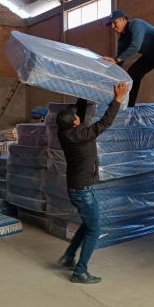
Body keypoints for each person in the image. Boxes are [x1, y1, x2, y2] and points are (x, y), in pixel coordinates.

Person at [55, 82, 128, 284]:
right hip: (82, 191)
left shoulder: (64, 132)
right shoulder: (82, 136)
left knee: (88, 224)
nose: (78, 115)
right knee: (94, 229)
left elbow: (77, 113)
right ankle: (80, 272)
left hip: (76, 187)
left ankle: (69, 257)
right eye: (77, 116)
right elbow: (104, 123)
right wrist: (118, 100)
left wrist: (84, 90)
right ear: (76, 123)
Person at [103, 10, 154, 107]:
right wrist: (107, 73)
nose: (112, 27)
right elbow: (119, 60)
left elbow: (136, 46)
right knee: (133, 73)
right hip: (151, 57)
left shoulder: (136, 24)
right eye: (111, 24)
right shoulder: (122, 39)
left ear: (123, 20)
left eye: (114, 23)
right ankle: (130, 108)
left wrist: (116, 60)